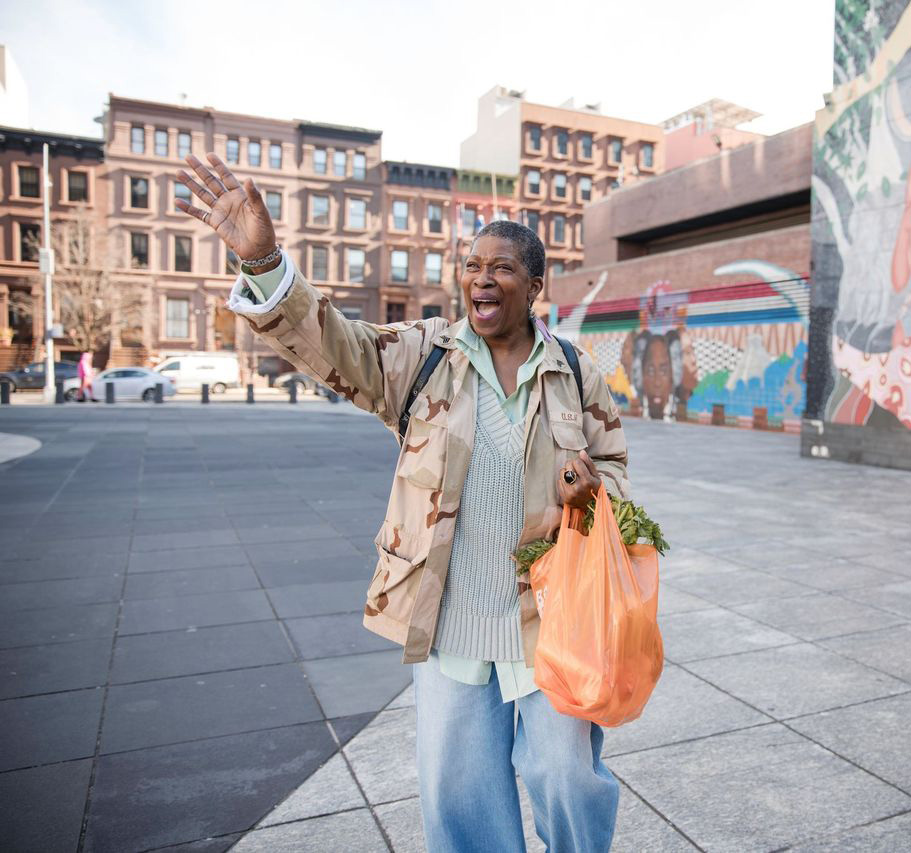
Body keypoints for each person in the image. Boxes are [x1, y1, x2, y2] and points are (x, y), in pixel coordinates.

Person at [177, 153, 631, 851]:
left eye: (502, 267)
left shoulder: (575, 374)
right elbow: (334, 343)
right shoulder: (422, 355)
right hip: (448, 616)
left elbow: (616, 473)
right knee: (460, 797)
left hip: (552, 619)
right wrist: (266, 263)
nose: (480, 276)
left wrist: (592, 494)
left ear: (536, 285)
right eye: (471, 264)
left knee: (567, 777)